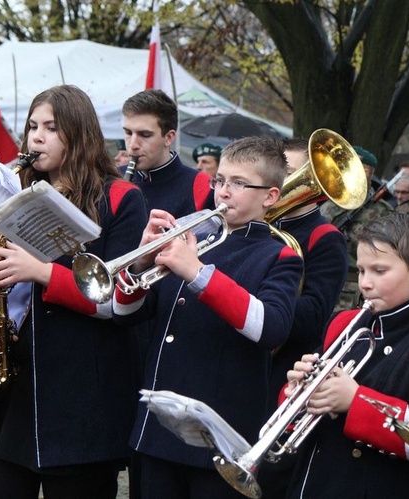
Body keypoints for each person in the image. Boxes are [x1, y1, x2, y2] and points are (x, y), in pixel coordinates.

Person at [0, 85, 149, 498]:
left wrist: (42, 272)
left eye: (51, 128)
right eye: (32, 126)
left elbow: (122, 303)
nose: (36, 137)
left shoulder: (121, 198)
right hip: (16, 386)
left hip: (83, 395)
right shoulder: (14, 193)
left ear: (79, 134)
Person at [113, 136, 303, 498]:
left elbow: (271, 329)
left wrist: (197, 272)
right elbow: (125, 313)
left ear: (270, 196)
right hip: (154, 432)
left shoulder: (279, 257)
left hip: (218, 440)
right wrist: (139, 260)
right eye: (220, 180)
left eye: (239, 183)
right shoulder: (192, 236)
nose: (224, 192)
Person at [282, 214, 409, 498]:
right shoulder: (343, 323)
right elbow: (302, 421)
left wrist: (356, 401)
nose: (364, 284)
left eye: (379, 271)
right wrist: (300, 391)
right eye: (360, 271)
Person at [257, 137, 349, 498]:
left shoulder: (325, 238)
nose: (282, 180)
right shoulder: (255, 224)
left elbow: (312, 317)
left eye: (291, 173)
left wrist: (251, 297)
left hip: (281, 373)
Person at [320, 145, 394, 311]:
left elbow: (384, 256)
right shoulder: (330, 203)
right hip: (320, 279)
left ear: (367, 172)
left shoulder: (382, 212)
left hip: (350, 289)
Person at [121, 89, 215, 214]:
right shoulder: (111, 179)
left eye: (145, 135)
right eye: (128, 133)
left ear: (169, 137)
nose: (133, 145)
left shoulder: (202, 187)